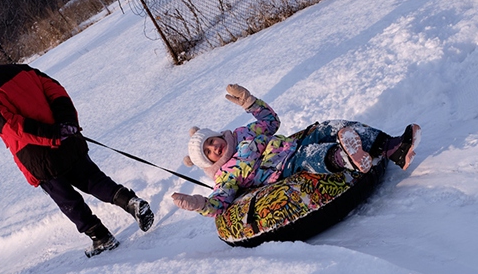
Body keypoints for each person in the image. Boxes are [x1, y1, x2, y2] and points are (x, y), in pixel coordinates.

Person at [0, 45, 154, 257]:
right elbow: (56, 91)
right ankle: (131, 203)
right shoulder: (20, 69)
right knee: (92, 179)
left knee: (68, 200)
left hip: (39, 156)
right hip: (67, 139)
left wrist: (51, 135)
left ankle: (101, 237)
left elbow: (12, 127)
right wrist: (66, 124)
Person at [171, 84, 420, 216]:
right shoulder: (226, 175)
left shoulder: (242, 133)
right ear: (209, 162)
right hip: (284, 167)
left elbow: (271, 123)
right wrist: (200, 204)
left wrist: (250, 103)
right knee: (313, 157)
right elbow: (220, 200)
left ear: (217, 134)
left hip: (292, 143)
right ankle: (346, 158)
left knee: (328, 127)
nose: (215, 146)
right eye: (209, 151)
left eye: (212, 140)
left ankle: (393, 147)